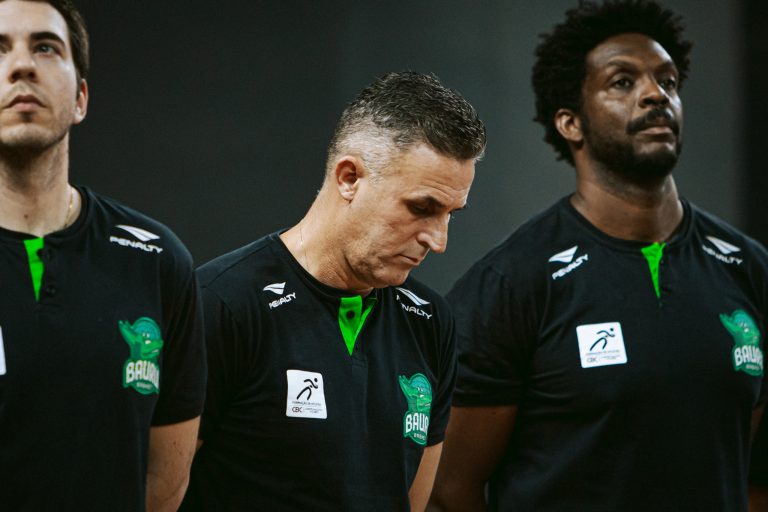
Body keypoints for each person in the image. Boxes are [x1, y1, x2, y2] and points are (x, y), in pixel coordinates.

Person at [429, 1, 767, 511]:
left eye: (668, 81)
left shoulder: (748, 268)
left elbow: (747, 471)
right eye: (623, 82)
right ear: (571, 123)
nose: (656, 95)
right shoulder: (512, 283)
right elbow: (448, 491)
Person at [181, 71, 486, 511]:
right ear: (349, 177)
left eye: (450, 214)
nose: (438, 241)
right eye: (422, 208)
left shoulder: (430, 322)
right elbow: (157, 491)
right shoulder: (222, 303)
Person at [0, 1, 206, 509]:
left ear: (81, 98)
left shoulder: (156, 260)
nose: (21, 65)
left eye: (45, 47)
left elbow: (165, 479)